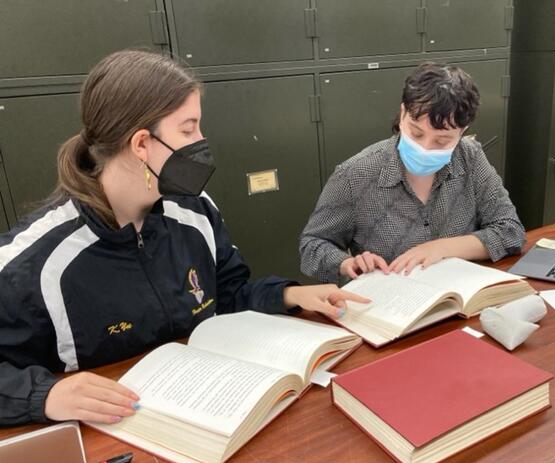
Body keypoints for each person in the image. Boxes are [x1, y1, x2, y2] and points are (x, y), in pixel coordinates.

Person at [0, 50, 368, 427]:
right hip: (117, 439)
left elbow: (224, 297)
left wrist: (289, 295)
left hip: (211, 411)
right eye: (188, 129)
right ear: (141, 144)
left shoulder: (195, 211)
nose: (202, 141)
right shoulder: (35, 261)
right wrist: (44, 395)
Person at [300, 62, 526, 283]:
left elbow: (511, 231)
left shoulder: (470, 157)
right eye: (416, 133)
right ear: (402, 113)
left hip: (459, 298)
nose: (425, 148)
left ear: (462, 131)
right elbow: (313, 245)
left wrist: (443, 248)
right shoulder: (355, 174)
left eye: (442, 140)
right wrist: (346, 263)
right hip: (393, 306)